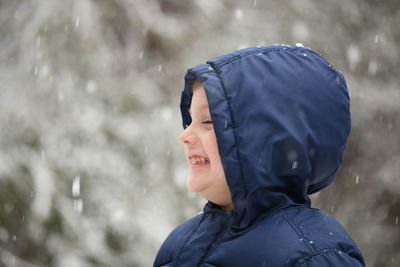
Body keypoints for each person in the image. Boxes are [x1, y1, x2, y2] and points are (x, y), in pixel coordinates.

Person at [154, 45, 365, 267]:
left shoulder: (315, 256)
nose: (184, 135)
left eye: (208, 121)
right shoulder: (178, 245)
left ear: (266, 140)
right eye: (190, 120)